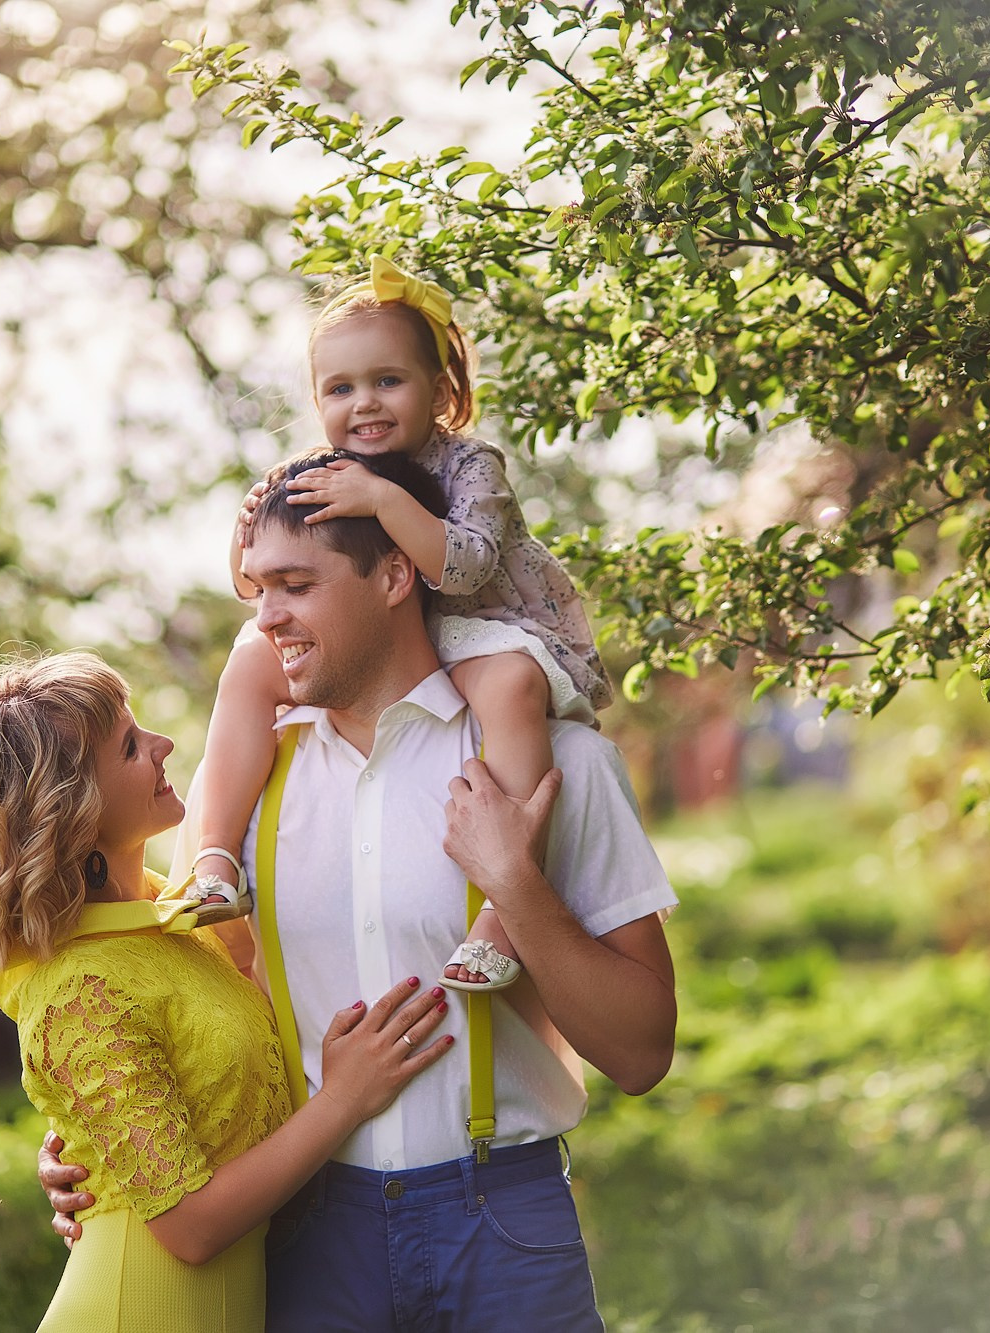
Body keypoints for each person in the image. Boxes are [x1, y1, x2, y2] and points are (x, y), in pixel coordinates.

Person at [42, 452, 678, 1331]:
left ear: (393, 574)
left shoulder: (556, 764)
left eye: (296, 585)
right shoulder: (245, 798)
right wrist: (105, 1147)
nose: (267, 618)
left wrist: (516, 889)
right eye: (258, 588)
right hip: (309, 1229)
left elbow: (644, 1053)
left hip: (505, 1220)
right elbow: (189, 1013)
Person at [0, 652, 456, 1333]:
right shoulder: (78, 987)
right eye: (130, 746)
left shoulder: (169, 911)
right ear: (77, 810)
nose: (162, 746)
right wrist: (343, 1097)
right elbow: (191, 1227)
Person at [182, 256, 613, 994]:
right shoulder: (318, 468)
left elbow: (470, 568)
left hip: (481, 622)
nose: (365, 404)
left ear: (443, 390)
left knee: (510, 686)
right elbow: (251, 579)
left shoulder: (471, 465)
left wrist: (382, 501)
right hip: (391, 632)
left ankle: (502, 913)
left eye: (389, 380)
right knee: (251, 655)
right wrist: (249, 523)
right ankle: (215, 856)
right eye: (340, 388)